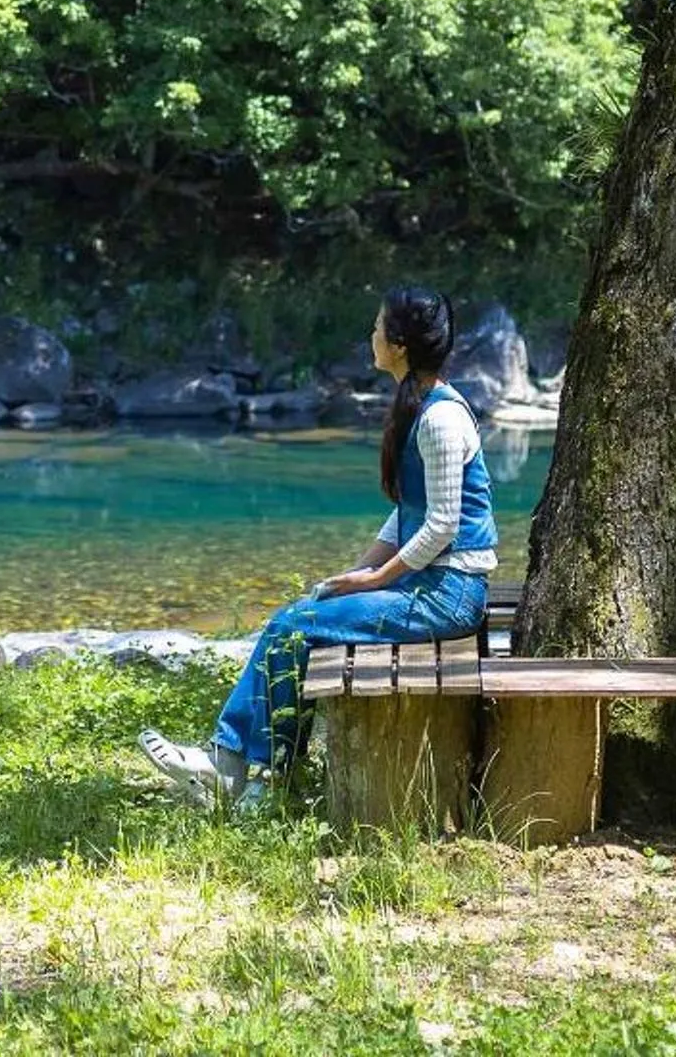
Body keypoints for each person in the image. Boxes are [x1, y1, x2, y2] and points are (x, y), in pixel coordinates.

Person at [140, 285, 495, 810]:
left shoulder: (441, 418)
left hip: (448, 593)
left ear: (398, 344)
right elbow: (408, 514)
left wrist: (375, 581)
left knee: (292, 625)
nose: (370, 336)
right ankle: (261, 776)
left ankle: (232, 767)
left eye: (377, 328)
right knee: (308, 611)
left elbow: (441, 526)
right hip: (430, 583)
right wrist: (356, 573)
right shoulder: (417, 405)